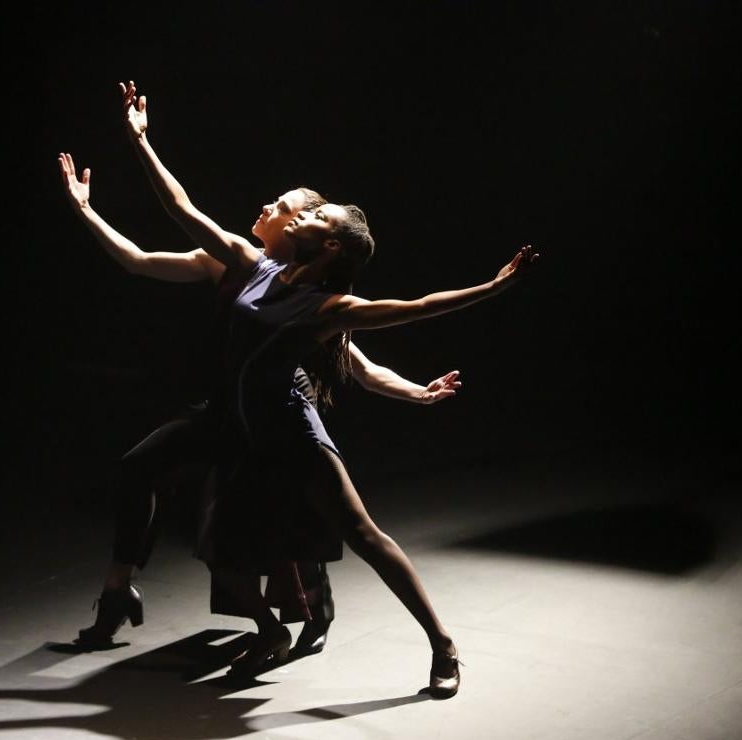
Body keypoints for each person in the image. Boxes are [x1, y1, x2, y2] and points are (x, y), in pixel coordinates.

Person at [74, 79, 539, 698]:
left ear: (329, 245)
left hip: (293, 431)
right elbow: (182, 209)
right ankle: (270, 633)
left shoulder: (330, 309)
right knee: (225, 558)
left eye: (316, 216)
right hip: (248, 436)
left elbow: (419, 306)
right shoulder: (253, 264)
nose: (300, 214)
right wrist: (139, 142)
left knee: (364, 535)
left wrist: (492, 288)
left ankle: (442, 643)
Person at [57, 166, 463, 655]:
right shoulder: (235, 261)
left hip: (275, 413)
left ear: (305, 231)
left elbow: (364, 366)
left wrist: (418, 392)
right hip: (226, 408)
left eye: (284, 206)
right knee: (146, 474)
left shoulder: (314, 299)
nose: (269, 207)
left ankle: (320, 610)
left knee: (305, 520)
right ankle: (120, 592)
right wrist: (86, 208)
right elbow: (141, 257)